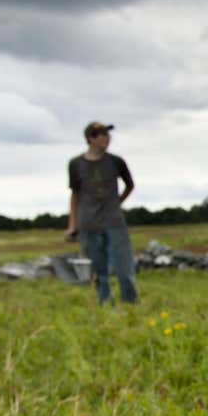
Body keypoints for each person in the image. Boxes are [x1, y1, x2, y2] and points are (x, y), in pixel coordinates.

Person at [66, 121, 138, 305]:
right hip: (88, 223)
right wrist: (72, 225)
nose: (107, 138)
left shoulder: (116, 161)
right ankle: (105, 303)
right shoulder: (75, 164)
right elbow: (75, 194)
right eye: (102, 135)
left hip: (114, 221)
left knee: (124, 266)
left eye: (108, 134)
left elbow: (130, 185)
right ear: (91, 138)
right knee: (97, 269)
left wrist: (117, 203)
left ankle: (130, 303)